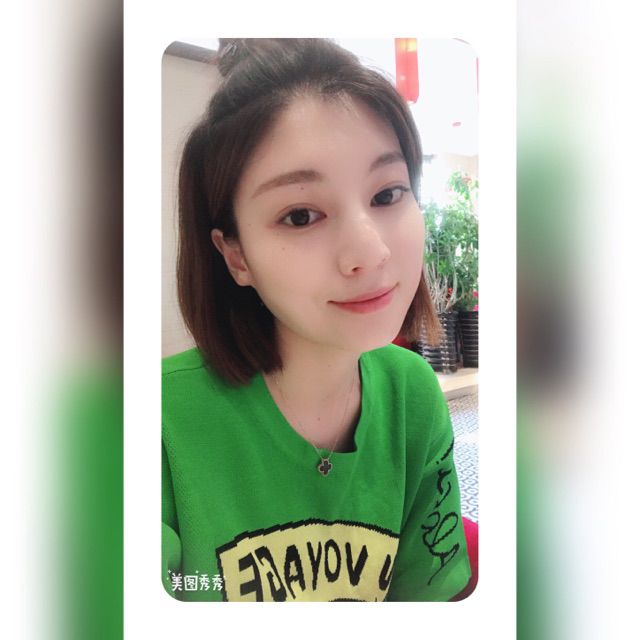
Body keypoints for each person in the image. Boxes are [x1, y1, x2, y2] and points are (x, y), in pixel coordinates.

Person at [162, 38, 471, 602]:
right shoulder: (152, 423)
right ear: (235, 255)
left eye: (388, 193)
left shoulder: (412, 394)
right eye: (301, 215)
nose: (371, 252)